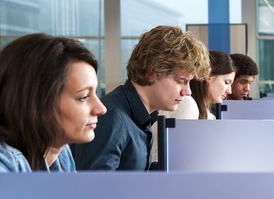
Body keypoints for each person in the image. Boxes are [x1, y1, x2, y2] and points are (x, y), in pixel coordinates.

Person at [0, 33, 106, 172]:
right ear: (37, 103)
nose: (101, 109)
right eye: (84, 97)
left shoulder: (59, 151)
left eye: (95, 93)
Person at [71, 25, 211, 171]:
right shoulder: (112, 118)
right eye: (180, 81)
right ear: (152, 72)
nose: (187, 91)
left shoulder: (141, 117)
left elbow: (130, 173)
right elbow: (94, 189)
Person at [189, 51, 236, 119]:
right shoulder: (189, 106)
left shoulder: (208, 115)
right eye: (226, 82)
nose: (230, 91)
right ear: (208, 76)